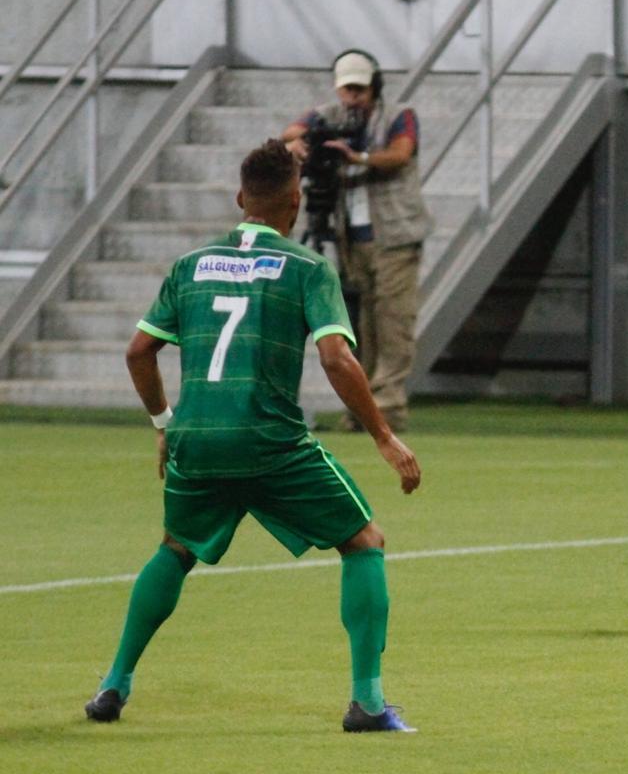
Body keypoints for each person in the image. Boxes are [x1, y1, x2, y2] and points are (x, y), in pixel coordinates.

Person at [84, 139, 422, 732]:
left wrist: (164, 424)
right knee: (363, 540)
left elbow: (139, 351)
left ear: (241, 198)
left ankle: (112, 687)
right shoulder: (307, 268)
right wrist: (384, 437)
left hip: (197, 436)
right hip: (269, 441)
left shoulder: (191, 265)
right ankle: (368, 703)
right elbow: (337, 359)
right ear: (296, 202)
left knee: (175, 549)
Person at [283, 48, 433, 433]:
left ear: (374, 88)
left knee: (392, 323)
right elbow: (293, 132)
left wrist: (358, 156)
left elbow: (400, 154)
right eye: (346, 90)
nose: (352, 98)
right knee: (358, 326)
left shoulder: (399, 115)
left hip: (395, 234)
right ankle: (363, 408)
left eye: (359, 90)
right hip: (352, 238)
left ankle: (387, 408)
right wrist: (298, 145)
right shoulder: (329, 116)